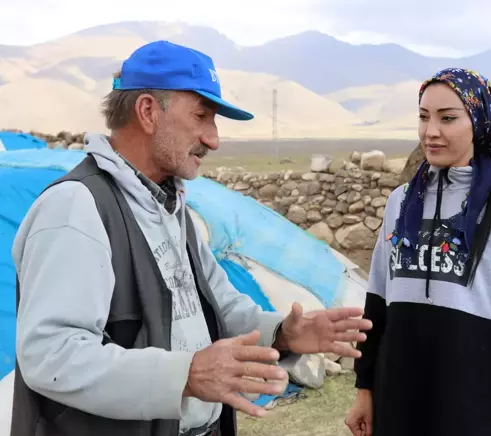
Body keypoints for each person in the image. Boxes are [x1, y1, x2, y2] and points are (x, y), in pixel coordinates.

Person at [10, 40, 371, 436]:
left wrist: (284, 333)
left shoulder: (171, 205)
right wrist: (186, 375)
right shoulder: (76, 208)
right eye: (202, 116)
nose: (213, 139)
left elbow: (221, 307)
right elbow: (49, 355)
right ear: (148, 111)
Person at [345, 68, 491, 436]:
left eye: (448, 118)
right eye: (423, 117)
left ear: (479, 123)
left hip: (470, 402)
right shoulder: (400, 203)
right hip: (396, 398)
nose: (431, 131)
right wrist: (365, 389)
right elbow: (376, 304)